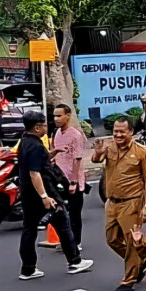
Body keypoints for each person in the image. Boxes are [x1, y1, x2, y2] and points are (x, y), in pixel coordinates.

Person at [17, 110, 92, 280]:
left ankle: (27, 269)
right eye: (44, 125)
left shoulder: (25, 142)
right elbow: (34, 173)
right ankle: (74, 261)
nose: (46, 127)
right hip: (43, 192)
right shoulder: (35, 146)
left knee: (28, 230)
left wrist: (53, 152)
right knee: (63, 224)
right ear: (36, 127)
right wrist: (44, 196)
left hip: (28, 193)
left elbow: (37, 162)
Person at [93, 117, 146, 291]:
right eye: (115, 131)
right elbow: (97, 160)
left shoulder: (141, 152)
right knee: (112, 240)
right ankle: (141, 260)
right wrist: (98, 152)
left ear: (131, 132)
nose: (118, 134)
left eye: (122, 131)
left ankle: (129, 279)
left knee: (131, 241)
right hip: (112, 202)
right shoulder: (110, 147)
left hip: (132, 202)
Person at [52, 104, 88, 246]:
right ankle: (66, 241)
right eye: (55, 116)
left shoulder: (76, 135)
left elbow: (77, 159)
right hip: (59, 178)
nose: (56, 119)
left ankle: (76, 242)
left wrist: (73, 182)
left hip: (73, 180)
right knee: (59, 213)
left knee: (74, 214)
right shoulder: (57, 133)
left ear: (68, 116)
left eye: (59, 115)